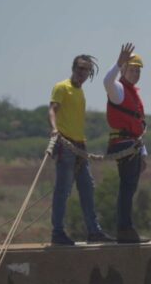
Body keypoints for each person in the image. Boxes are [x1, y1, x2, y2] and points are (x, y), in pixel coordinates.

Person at [48, 54, 114, 245]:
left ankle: (94, 232)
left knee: (87, 188)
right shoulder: (62, 87)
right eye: (79, 69)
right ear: (73, 68)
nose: (82, 73)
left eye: (86, 70)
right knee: (63, 190)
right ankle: (57, 233)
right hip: (65, 144)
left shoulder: (80, 92)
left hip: (80, 146)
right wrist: (54, 129)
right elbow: (53, 109)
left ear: (89, 73)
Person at [103, 43, 151, 243]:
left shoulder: (132, 92)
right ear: (123, 70)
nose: (135, 73)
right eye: (132, 69)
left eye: (138, 70)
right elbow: (107, 81)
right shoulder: (119, 89)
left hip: (132, 145)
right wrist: (118, 62)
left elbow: (138, 126)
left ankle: (126, 228)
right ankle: (125, 229)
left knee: (129, 188)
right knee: (127, 187)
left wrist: (144, 154)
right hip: (124, 144)